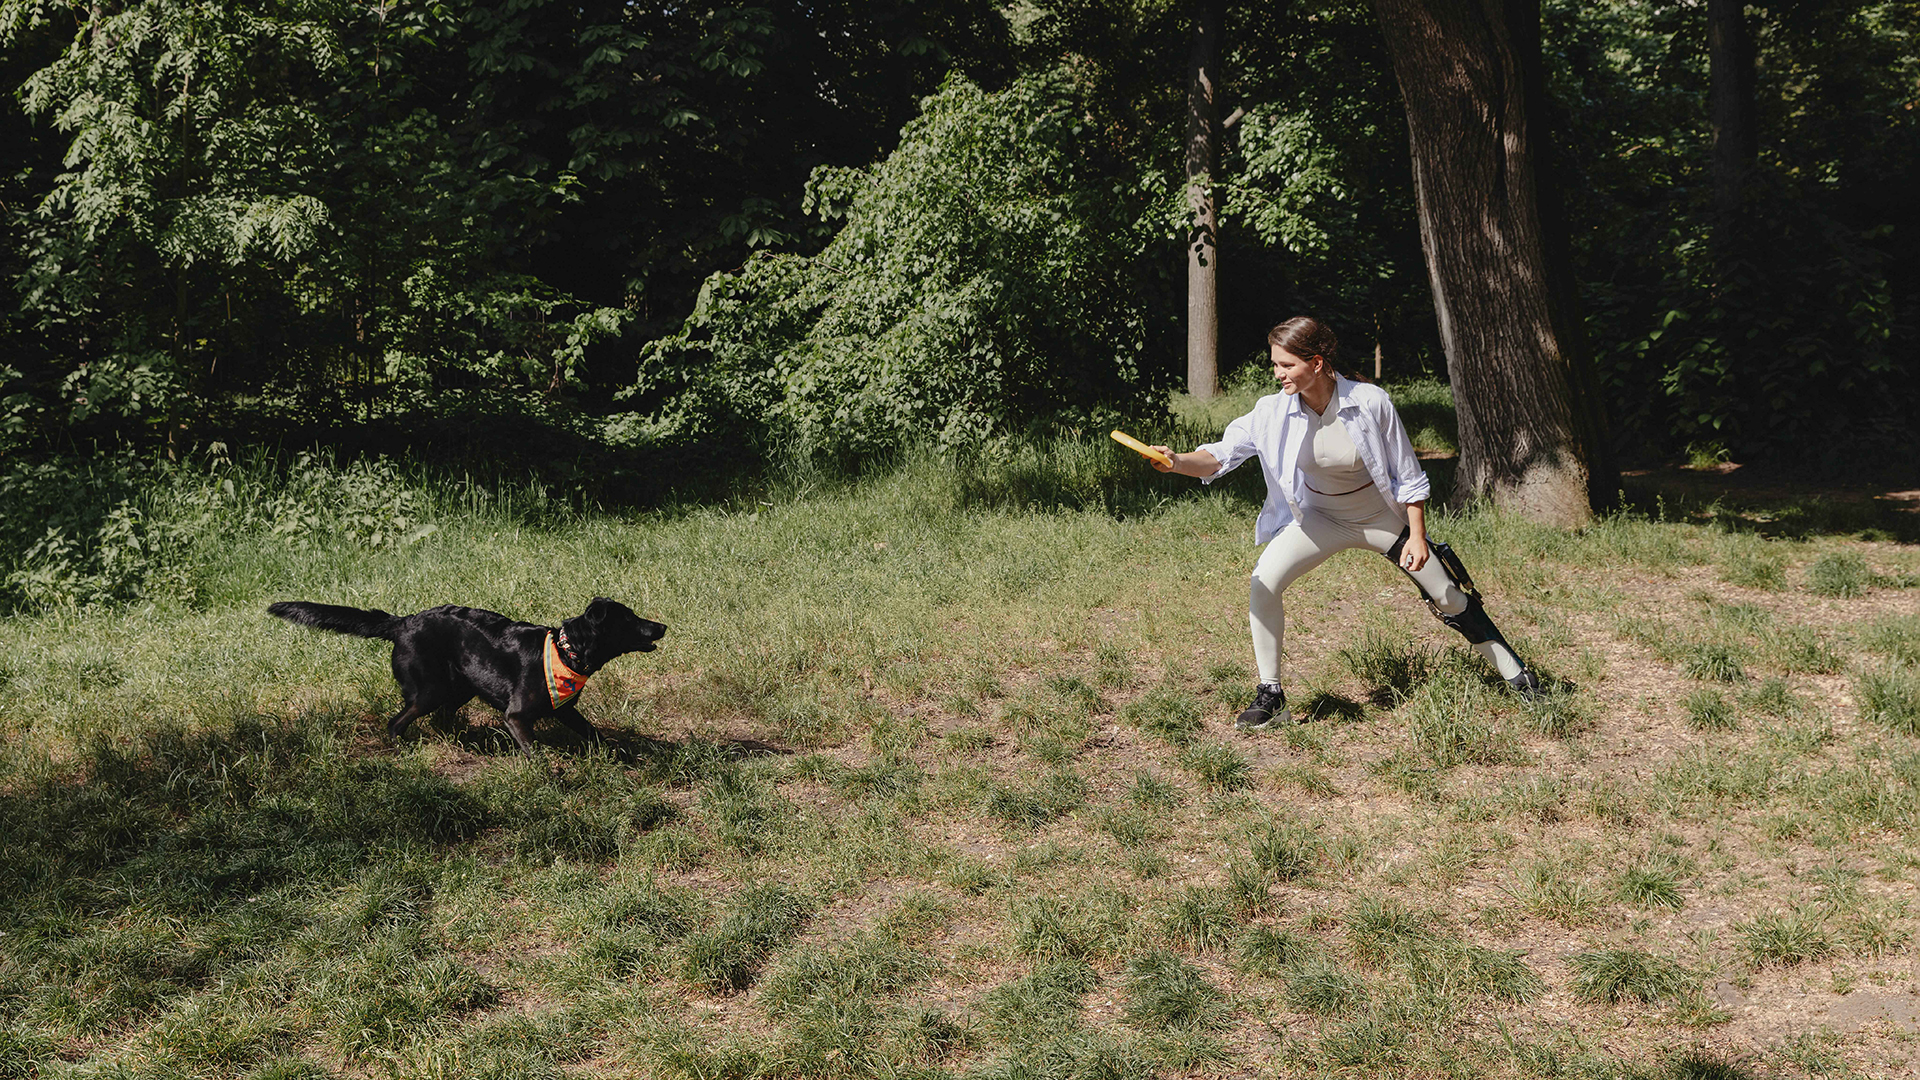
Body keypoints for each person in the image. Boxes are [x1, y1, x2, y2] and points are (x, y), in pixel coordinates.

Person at [1149, 316, 1540, 731]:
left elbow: (1408, 475)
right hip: (1319, 516)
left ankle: (1519, 677)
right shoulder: (1271, 411)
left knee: (1447, 595)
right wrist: (1175, 463)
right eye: (1274, 365)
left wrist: (1418, 537)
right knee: (1263, 581)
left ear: (1316, 363)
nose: (1278, 374)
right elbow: (1221, 456)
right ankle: (1271, 695)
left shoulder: (1370, 402)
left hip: (1379, 517)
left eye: (1286, 365)